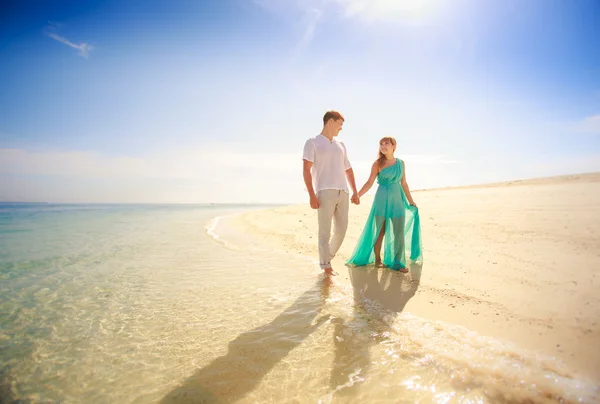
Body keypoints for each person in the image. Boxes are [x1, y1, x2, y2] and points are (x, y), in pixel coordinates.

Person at [346, 137, 422, 272]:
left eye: (386, 143)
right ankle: (377, 260)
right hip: (381, 199)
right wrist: (357, 194)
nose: (383, 146)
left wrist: (410, 200)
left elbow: (404, 183)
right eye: (381, 144)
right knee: (380, 230)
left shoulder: (401, 163)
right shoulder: (377, 164)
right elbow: (369, 183)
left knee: (398, 231)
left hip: (397, 199)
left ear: (394, 146)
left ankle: (398, 263)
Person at [302, 110, 359, 275]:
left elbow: (348, 169)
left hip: (343, 191)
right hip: (324, 191)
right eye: (340, 124)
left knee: (341, 230)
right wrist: (311, 195)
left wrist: (354, 191)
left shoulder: (341, 144)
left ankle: (328, 256)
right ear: (330, 122)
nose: (341, 128)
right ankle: (326, 267)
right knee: (325, 232)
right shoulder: (312, 142)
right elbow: (306, 170)